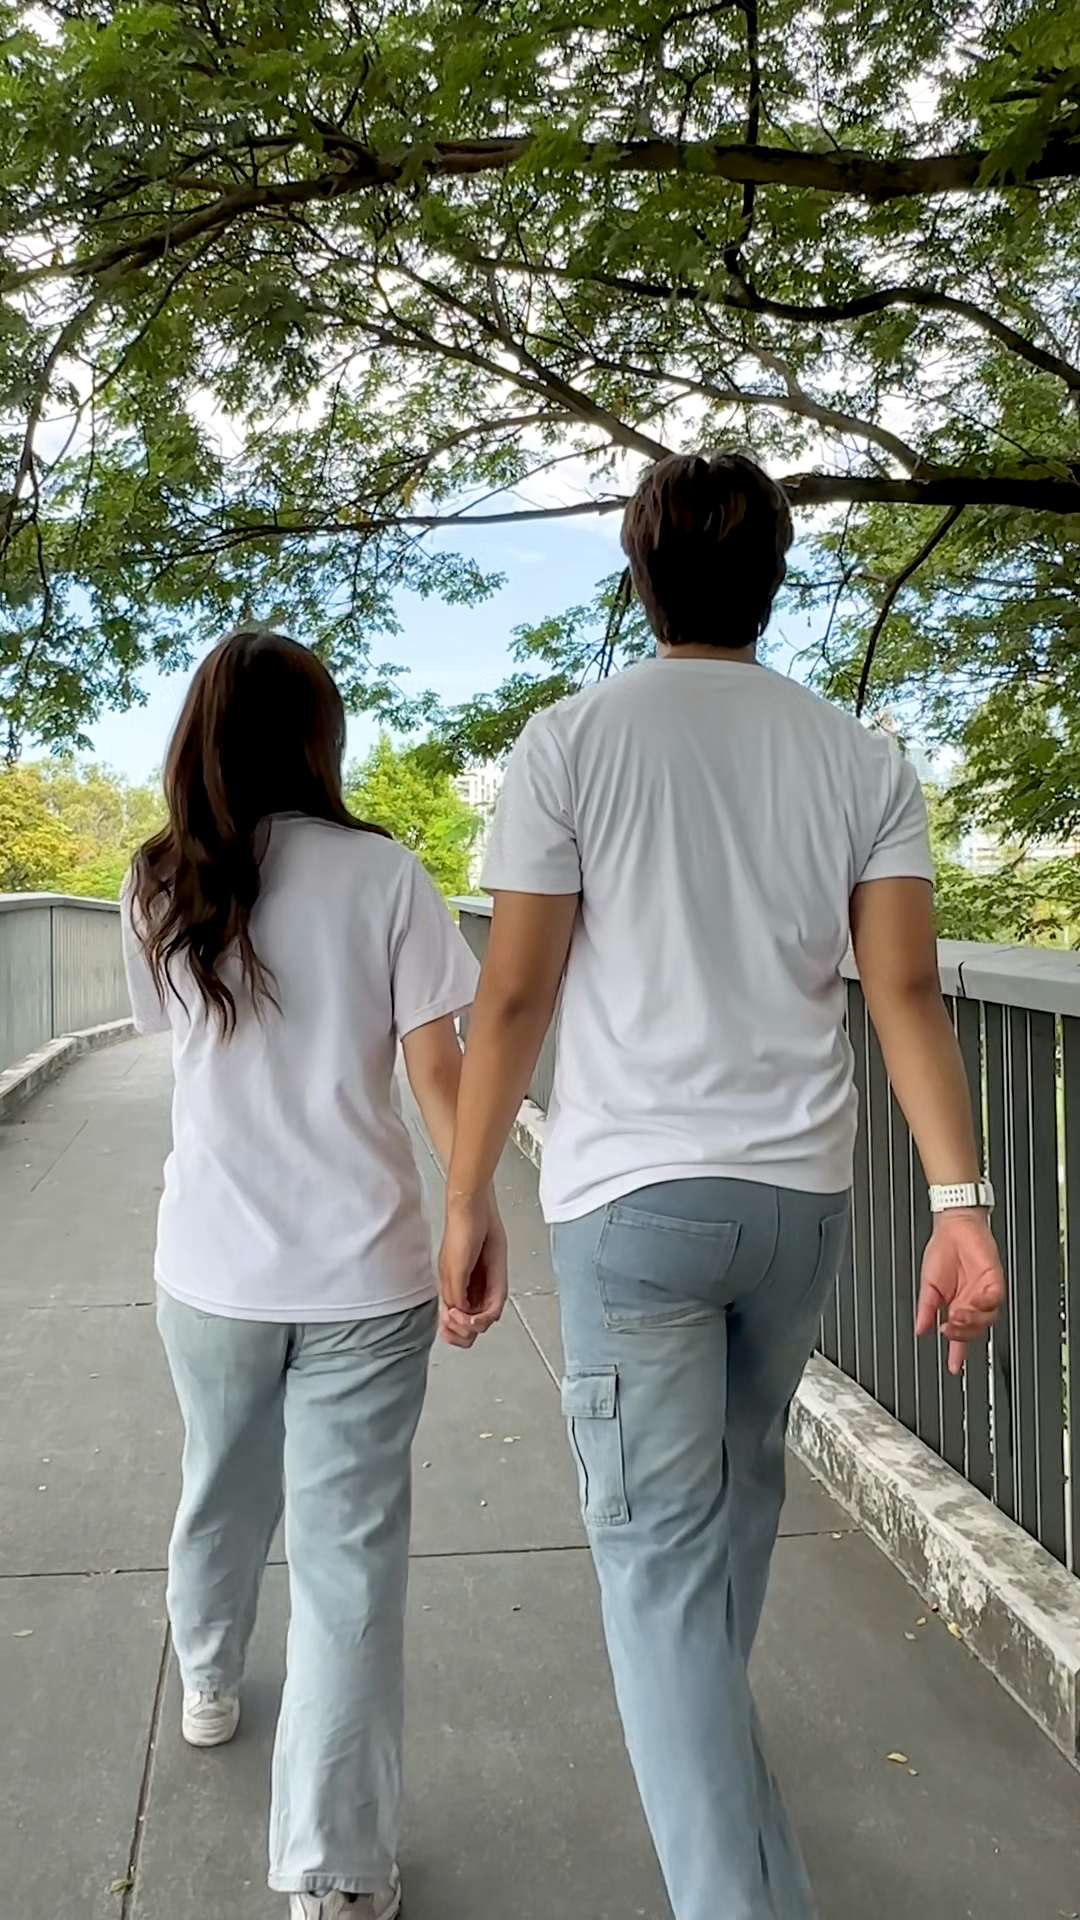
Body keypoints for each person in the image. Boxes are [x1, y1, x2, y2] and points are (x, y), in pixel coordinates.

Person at [439, 452, 1005, 1920]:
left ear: (642, 574)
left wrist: (466, 1193)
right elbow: (904, 995)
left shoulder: (569, 743)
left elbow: (514, 997)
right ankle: (721, 1788)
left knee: (654, 1562)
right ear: (773, 579)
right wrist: (959, 1203)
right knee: (735, 1504)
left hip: (635, 1202)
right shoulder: (860, 758)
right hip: (797, 1201)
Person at [122, 629, 506, 1920]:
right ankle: (333, 1873)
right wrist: (472, 1207)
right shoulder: (386, 873)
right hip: (365, 1270)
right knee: (349, 1562)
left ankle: (208, 1671)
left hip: (210, 1264)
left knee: (220, 1481)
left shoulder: (157, 881)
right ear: (318, 739)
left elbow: (175, 1046)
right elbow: (438, 1070)